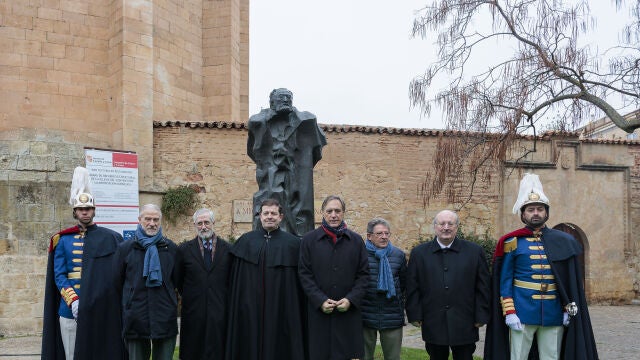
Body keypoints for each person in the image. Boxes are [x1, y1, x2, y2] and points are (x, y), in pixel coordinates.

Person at [484, 173, 598, 360]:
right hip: (522, 312)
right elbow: (505, 282)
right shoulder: (512, 241)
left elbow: (566, 281)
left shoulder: (562, 241)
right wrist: (510, 312)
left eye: (539, 209)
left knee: (551, 357)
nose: (535, 213)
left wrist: (565, 308)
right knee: (518, 357)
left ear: (546, 213)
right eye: (530, 209)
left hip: (553, 313)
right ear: (523, 214)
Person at [41, 166, 126, 359]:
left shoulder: (111, 238)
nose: (85, 212)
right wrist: (73, 300)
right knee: (72, 355)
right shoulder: (62, 240)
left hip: (99, 307)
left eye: (88, 209)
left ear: (94, 210)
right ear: (75, 211)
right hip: (71, 309)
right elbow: (59, 276)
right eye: (81, 209)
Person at [226, 199, 307, 360]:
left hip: (282, 310)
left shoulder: (293, 244)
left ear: (281, 217)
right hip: (250, 310)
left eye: (273, 213)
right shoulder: (246, 241)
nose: (270, 216)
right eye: (266, 213)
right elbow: (235, 282)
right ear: (260, 216)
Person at [405, 210, 490, 360]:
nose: (446, 227)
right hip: (433, 320)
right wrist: (415, 314)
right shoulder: (419, 253)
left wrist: (481, 315)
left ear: (457, 227)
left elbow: (482, 286)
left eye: (450, 223)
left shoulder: (474, 251)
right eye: (442, 223)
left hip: (466, 321)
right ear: (435, 227)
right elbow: (413, 286)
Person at [247, 88, 327, 236]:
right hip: (271, 175)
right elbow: (254, 152)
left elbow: (316, 151)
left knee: (300, 211)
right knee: (272, 204)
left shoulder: (307, 121)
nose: (285, 100)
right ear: (271, 102)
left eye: (288, 98)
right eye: (281, 98)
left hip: (297, 173)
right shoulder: (258, 122)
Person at [298, 195, 369, 360]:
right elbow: (304, 274)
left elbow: (364, 275)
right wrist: (320, 300)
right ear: (322, 213)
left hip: (348, 314)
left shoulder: (356, 241)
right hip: (319, 313)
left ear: (343, 213)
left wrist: (351, 299)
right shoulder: (309, 241)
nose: (333, 215)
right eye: (329, 211)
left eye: (337, 211)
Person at [115, 204, 179, 360]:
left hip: (164, 316)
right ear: (139, 220)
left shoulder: (170, 248)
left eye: (156, 219)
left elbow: (177, 281)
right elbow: (118, 281)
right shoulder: (126, 248)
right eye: (148, 219)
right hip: (136, 316)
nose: (152, 223)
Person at [176, 208, 232, 360]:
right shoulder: (184, 250)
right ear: (194, 225)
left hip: (220, 310)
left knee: (218, 350)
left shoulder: (228, 250)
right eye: (199, 223)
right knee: (194, 350)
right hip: (194, 310)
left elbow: (231, 280)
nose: (203, 226)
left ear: (213, 223)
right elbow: (178, 279)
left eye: (206, 222)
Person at [361, 218, 407, 360]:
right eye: (379, 233)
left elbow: (404, 284)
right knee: (364, 356)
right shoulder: (360, 254)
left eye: (387, 233)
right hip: (365, 315)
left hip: (391, 315)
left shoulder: (398, 255)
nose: (384, 236)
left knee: (393, 357)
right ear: (369, 236)